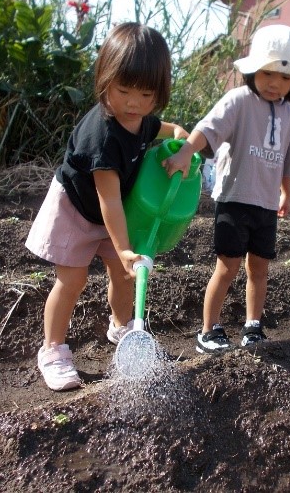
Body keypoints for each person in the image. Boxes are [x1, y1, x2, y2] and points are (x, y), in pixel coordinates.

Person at [26, 22, 188, 390]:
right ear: (105, 81)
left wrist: (180, 138)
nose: (134, 103)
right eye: (124, 90)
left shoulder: (141, 121)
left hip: (110, 214)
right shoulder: (101, 136)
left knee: (121, 272)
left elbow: (168, 129)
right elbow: (108, 198)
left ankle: (122, 328)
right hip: (77, 209)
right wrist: (126, 246)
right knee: (72, 279)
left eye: (146, 94)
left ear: (158, 93)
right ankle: (52, 349)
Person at [163, 24, 290, 353]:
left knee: (259, 269)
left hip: (266, 207)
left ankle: (253, 325)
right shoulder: (239, 101)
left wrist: (287, 192)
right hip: (234, 201)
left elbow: (289, 157)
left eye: (286, 78)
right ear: (253, 70)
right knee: (227, 267)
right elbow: (208, 128)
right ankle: (208, 330)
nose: (275, 83)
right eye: (268, 73)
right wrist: (186, 151)